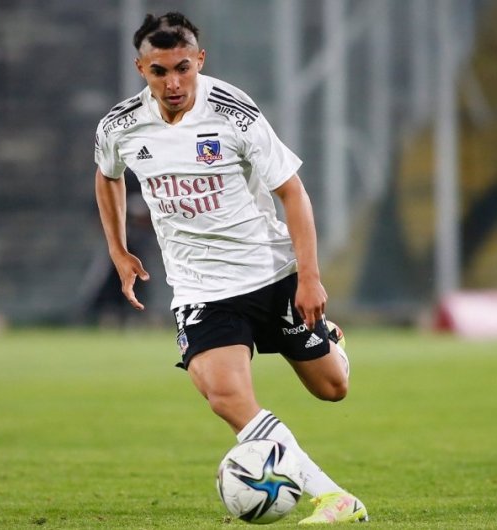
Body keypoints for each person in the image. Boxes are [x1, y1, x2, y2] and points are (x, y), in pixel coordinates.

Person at [92, 12, 368, 525]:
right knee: (225, 397)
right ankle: (334, 497)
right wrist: (119, 250)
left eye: (182, 68)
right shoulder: (120, 125)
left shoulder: (235, 114)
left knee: (332, 388)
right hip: (200, 288)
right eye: (159, 71)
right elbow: (107, 176)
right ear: (140, 69)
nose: (173, 83)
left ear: (199, 60)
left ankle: (330, 340)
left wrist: (310, 277)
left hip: (270, 273)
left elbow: (293, 194)